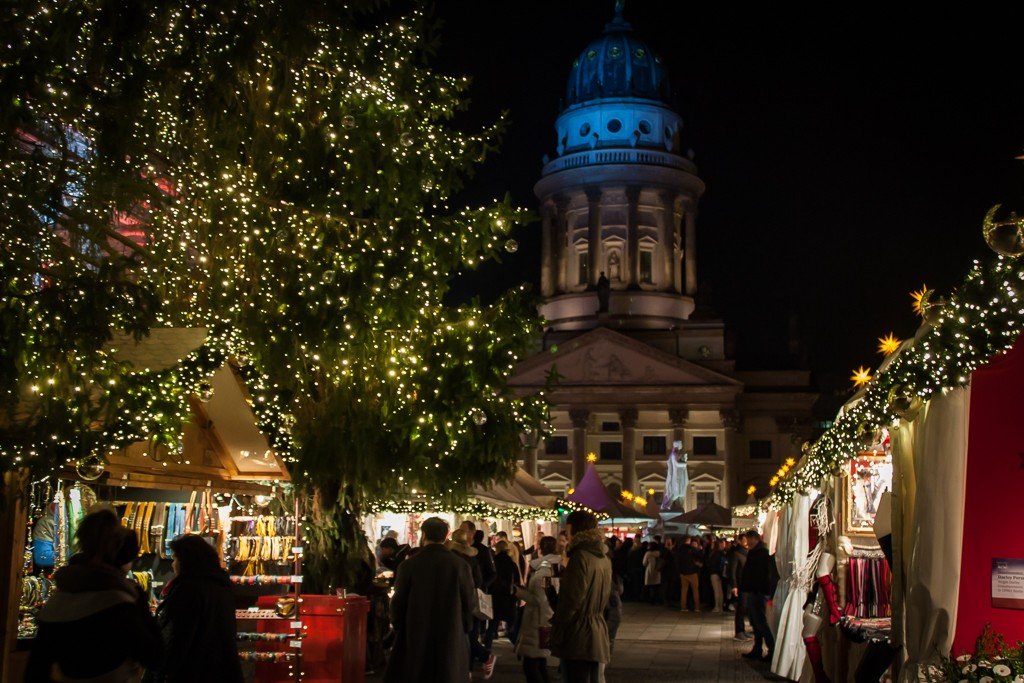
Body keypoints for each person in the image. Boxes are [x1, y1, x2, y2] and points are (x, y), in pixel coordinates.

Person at [26, 508, 162, 682]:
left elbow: (35, 670)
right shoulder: (120, 603)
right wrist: (140, 603)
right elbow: (154, 656)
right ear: (122, 558)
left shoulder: (59, 600)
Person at [386, 517, 477, 683]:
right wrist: (465, 626)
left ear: (424, 534)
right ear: (445, 536)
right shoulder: (459, 565)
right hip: (450, 630)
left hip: (416, 631)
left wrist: (399, 626)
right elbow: (469, 601)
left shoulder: (409, 565)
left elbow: (398, 603)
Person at [149, 535, 243, 682]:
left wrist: (163, 670)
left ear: (186, 561)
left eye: (175, 559)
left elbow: (178, 637)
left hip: (192, 671)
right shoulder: (222, 586)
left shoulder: (187, 589)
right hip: (222, 669)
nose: (173, 565)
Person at [550, 511, 612, 683]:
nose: (567, 538)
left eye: (568, 533)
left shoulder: (580, 557)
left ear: (577, 532)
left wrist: (558, 625)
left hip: (578, 633)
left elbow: (572, 600)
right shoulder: (603, 557)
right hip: (596, 629)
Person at [449, 527, 497, 677]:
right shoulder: (472, 558)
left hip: (462, 601)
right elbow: (480, 579)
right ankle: (468, 669)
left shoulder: (455, 559)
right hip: (472, 600)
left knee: (466, 636)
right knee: (469, 635)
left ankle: (483, 657)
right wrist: (480, 588)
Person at [515, 536, 560, 683]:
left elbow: (540, 599)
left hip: (537, 622)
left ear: (540, 550)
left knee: (532, 666)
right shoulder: (551, 568)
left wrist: (519, 592)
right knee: (539, 664)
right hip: (543, 620)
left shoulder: (543, 572)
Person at [740, 529, 775, 662]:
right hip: (754, 590)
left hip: (758, 591)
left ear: (755, 539)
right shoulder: (756, 552)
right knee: (755, 622)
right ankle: (757, 648)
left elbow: (761, 574)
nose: (747, 542)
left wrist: (756, 588)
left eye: (749, 539)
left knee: (760, 621)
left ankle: (771, 649)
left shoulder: (760, 553)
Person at [490, 541, 522, 645]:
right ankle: (515, 641)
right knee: (510, 620)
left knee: (493, 620)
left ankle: (488, 644)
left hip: (495, 594)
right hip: (509, 595)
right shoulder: (511, 563)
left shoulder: (494, 561)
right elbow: (516, 580)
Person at [728, 535, 752, 641]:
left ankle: (742, 630)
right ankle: (739, 631)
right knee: (741, 608)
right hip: (740, 584)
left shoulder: (749, 553)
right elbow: (732, 571)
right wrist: (734, 586)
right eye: (744, 540)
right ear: (740, 541)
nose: (746, 542)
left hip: (747, 584)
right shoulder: (737, 553)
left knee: (745, 607)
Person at [674, 536, 700, 612]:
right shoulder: (691, 549)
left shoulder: (679, 549)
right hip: (692, 572)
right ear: (688, 541)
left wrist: (679, 572)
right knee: (695, 590)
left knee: (684, 590)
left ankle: (683, 607)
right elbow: (699, 556)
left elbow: (677, 562)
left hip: (683, 573)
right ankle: (697, 607)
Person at [708, 538, 725, 613]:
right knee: (720, 591)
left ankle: (716, 607)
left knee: (716, 591)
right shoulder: (721, 553)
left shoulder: (714, 554)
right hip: (720, 574)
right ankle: (720, 607)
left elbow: (712, 564)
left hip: (714, 573)